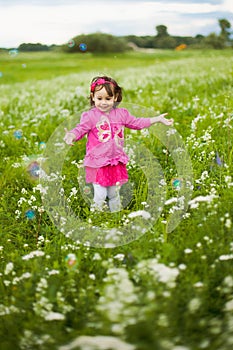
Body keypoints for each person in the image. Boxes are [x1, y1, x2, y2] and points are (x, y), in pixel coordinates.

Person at [64, 75, 173, 212]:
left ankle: (116, 215)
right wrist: (72, 135)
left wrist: (156, 119)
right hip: (98, 162)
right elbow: (81, 128)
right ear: (93, 97)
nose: (103, 102)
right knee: (101, 194)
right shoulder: (90, 116)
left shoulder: (122, 114)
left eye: (108, 99)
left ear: (115, 98)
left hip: (115, 161)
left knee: (114, 193)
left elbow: (137, 123)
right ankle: (96, 217)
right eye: (99, 98)